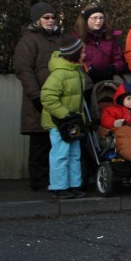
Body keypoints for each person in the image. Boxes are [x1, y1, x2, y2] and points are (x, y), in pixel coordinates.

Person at [14, 0, 61, 191]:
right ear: (37, 20)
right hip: (39, 97)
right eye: (46, 17)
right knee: (40, 141)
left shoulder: (59, 39)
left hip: (59, 97)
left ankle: (55, 179)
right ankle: (39, 181)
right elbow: (24, 70)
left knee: (57, 141)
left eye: (53, 17)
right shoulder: (28, 40)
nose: (50, 20)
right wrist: (35, 95)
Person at [40, 35, 91, 199]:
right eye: (82, 52)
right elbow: (48, 98)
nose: (85, 55)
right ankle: (59, 186)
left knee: (74, 154)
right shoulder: (59, 75)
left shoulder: (76, 71)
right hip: (60, 123)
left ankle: (73, 184)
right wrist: (64, 114)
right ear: (74, 54)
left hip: (72, 122)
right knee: (61, 154)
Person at [75, 5, 127, 83]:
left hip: (108, 81)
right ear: (86, 19)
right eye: (95, 18)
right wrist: (88, 68)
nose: (98, 21)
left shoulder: (110, 37)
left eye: (101, 18)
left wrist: (113, 68)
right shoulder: (77, 38)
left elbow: (119, 59)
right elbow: (73, 59)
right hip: (84, 80)